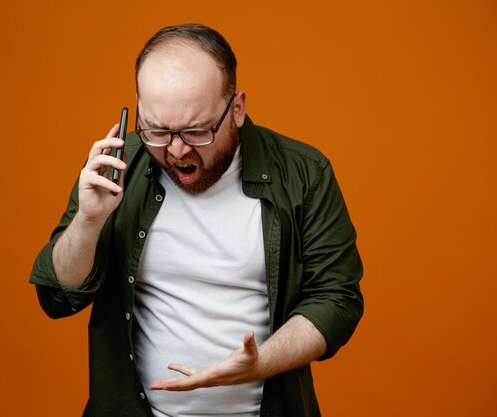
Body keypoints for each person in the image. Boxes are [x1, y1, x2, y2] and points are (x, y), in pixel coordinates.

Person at [30, 23, 363, 417]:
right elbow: (57, 298)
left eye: (196, 131)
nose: (176, 150)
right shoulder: (115, 167)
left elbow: (336, 300)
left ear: (236, 109)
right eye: (156, 130)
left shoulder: (303, 173)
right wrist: (88, 221)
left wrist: (261, 363)